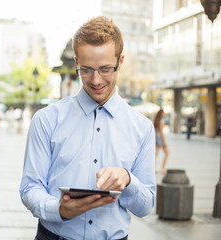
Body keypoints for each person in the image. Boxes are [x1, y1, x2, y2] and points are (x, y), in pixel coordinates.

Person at [20, 16, 156, 240]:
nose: (95, 80)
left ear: (120, 62)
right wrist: (59, 210)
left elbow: (145, 206)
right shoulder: (46, 119)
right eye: (86, 70)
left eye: (105, 69)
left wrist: (128, 179)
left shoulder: (142, 127)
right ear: (76, 62)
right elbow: (29, 188)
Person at [154, 109, 169, 174]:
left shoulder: (156, 120)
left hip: (156, 138)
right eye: (163, 113)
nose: (164, 114)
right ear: (161, 113)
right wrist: (164, 141)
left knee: (155, 154)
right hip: (160, 139)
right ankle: (163, 168)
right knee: (167, 153)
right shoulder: (161, 121)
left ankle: (154, 168)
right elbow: (161, 132)